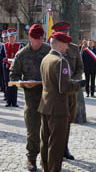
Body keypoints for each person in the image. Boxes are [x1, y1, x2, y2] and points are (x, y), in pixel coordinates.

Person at [38, 31, 85, 172]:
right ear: (59, 45)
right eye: (65, 45)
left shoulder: (45, 59)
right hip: (58, 108)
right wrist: (79, 84)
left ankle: (45, 167)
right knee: (56, 144)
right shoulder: (61, 61)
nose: (67, 48)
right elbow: (63, 87)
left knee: (45, 141)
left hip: (45, 105)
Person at [10, 24, 50, 171]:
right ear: (29, 38)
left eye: (41, 39)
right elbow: (13, 76)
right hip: (31, 99)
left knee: (49, 131)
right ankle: (31, 159)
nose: (38, 42)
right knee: (33, 131)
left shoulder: (49, 50)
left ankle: (47, 160)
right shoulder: (21, 55)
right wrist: (24, 84)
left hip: (48, 98)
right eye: (35, 39)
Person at [51, 21, 84, 160]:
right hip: (56, 92)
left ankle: (64, 147)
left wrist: (74, 80)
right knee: (55, 122)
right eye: (64, 33)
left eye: (67, 32)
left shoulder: (74, 48)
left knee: (68, 119)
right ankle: (54, 149)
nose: (67, 35)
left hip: (70, 91)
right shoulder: (51, 48)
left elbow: (80, 67)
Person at [0, 28, 22, 107]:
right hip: (6, 67)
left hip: (16, 68)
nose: (12, 38)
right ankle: (9, 101)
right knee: (8, 84)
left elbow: (22, 57)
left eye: (13, 37)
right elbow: (1, 57)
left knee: (15, 84)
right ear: (8, 38)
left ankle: (14, 102)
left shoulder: (19, 46)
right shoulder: (4, 46)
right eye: (10, 37)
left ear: (15, 37)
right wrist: (6, 60)